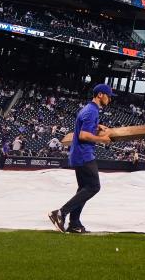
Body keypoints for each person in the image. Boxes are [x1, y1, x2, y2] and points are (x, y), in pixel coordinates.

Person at [49, 84, 114, 234]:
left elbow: (85, 127)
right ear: (100, 95)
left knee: (83, 189)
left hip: (79, 153)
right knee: (93, 187)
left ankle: (74, 223)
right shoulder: (92, 111)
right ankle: (60, 213)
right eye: (108, 96)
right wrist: (102, 139)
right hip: (84, 154)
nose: (110, 99)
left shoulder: (90, 109)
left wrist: (98, 126)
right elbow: (83, 135)